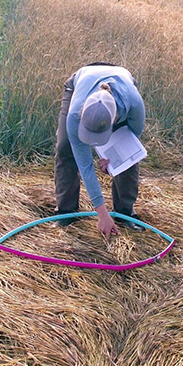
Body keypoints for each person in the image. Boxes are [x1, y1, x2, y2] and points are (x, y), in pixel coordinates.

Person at [54, 63, 145, 240]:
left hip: (122, 84)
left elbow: (131, 143)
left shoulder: (134, 104)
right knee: (65, 148)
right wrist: (102, 214)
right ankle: (66, 211)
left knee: (129, 157)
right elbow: (86, 165)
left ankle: (125, 212)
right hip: (80, 82)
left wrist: (113, 157)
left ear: (115, 119)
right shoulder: (75, 114)